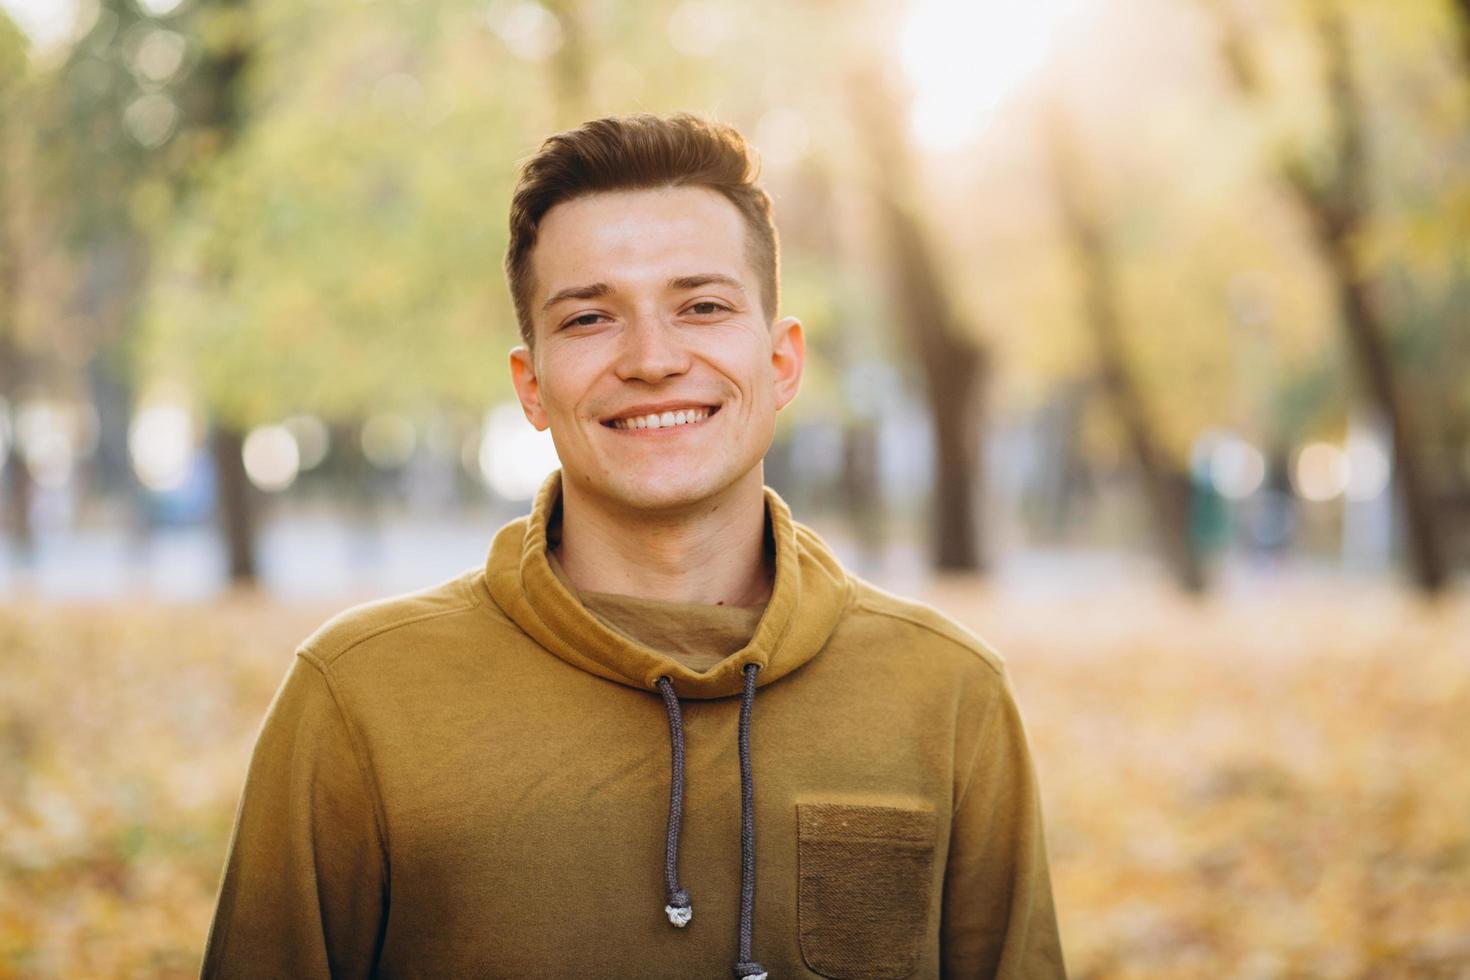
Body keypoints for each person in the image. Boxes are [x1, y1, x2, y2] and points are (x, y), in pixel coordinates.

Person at [200, 112, 1066, 979]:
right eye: (588, 319)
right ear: (532, 386)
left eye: (703, 306)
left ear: (783, 363)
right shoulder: (358, 699)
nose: (652, 359)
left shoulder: (951, 695)